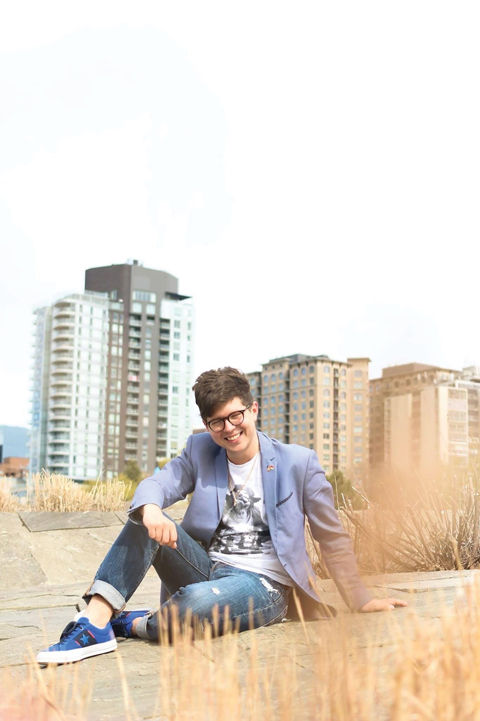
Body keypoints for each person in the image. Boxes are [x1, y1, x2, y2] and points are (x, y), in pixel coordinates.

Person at [37, 367, 406, 664]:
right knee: (143, 518)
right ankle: (96, 624)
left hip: (264, 585)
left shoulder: (299, 462)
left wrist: (359, 597)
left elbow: (332, 536)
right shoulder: (200, 450)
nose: (229, 429)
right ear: (207, 424)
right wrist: (151, 509)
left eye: (236, 416)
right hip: (207, 569)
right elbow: (158, 484)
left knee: (194, 605)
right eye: (217, 422)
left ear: (253, 409)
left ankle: (132, 623)